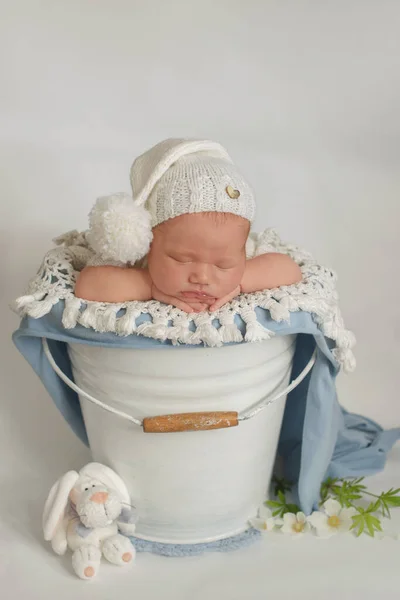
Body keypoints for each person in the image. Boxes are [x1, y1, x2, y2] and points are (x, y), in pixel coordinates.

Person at [76, 139, 302, 313]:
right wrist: (149, 285)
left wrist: (242, 280)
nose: (202, 277)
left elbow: (289, 269)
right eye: (181, 259)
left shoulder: (241, 249)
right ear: (149, 238)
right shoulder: (136, 254)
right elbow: (88, 285)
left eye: (223, 265)